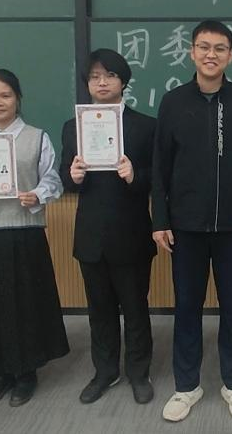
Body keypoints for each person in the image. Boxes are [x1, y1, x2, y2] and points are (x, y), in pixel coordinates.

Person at [151, 20, 232, 423]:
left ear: (230, 56)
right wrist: (159, 219)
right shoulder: (173, 102)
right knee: (187, 307)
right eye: (204, 47)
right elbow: (159, 167)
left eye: (220, 48)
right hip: (184, 227)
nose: (211, 54)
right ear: (191, 52)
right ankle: (187, 386)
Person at [0, 69, 69, 408]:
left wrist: (37, 195)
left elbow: (53, 180)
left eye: (5, 95)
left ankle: (26, 372)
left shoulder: (37, 137)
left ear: (18, 98)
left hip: (23, 233)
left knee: (25, 304)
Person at [60, 49, 156, 405]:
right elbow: (65, 181)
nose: (102, 82)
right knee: (99, 312)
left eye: (110, 75)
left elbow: (160, 179)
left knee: (136, 309)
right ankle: (105, 371)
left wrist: (135, 175)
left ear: (123, 81)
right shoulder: (73, 127)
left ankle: (138, 372)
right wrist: (72, 177)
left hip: (131, 233)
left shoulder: (146, 126)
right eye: (94, 77)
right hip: (91, 235)